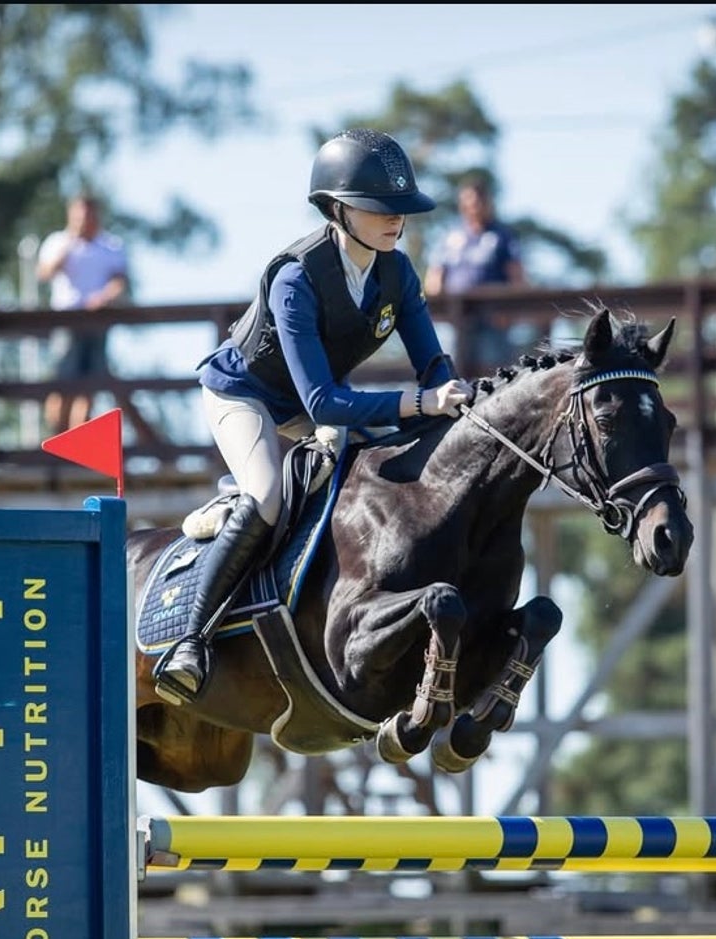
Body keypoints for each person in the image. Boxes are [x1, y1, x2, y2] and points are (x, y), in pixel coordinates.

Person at [153, 128, 473, 708]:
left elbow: (432, 365)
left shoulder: (396, 274)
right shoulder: (295, 277)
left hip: (314, 401)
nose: (395, 219)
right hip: (245, 394)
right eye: (379, 208)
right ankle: (189, 641)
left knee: (372, 478)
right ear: (336, 209)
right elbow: (324, 403)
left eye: (401, 208)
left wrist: (460, 400)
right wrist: (422, 403)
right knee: (268, 494)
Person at [36, 194, 129, 432]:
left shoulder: (111, 245)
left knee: (89, 388)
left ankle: (77, 442)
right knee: (62, 383)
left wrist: (103, 298)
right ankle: (55, 438)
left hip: (97, 323)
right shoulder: (58, 241)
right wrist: (69, 245)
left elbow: (119, 281)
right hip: (66, 321)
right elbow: (45, 272)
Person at [424, 177, 527, 369]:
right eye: (468, 203)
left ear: (488, 203)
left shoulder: (502, 235)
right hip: (457, 318)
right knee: (450, 371)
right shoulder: (451, 237)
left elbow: (516, 275)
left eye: (478, 202)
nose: (474, 207)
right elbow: (436, 275)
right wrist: (437, 310)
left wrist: (512, 310)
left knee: (496, 374)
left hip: (493, 317)